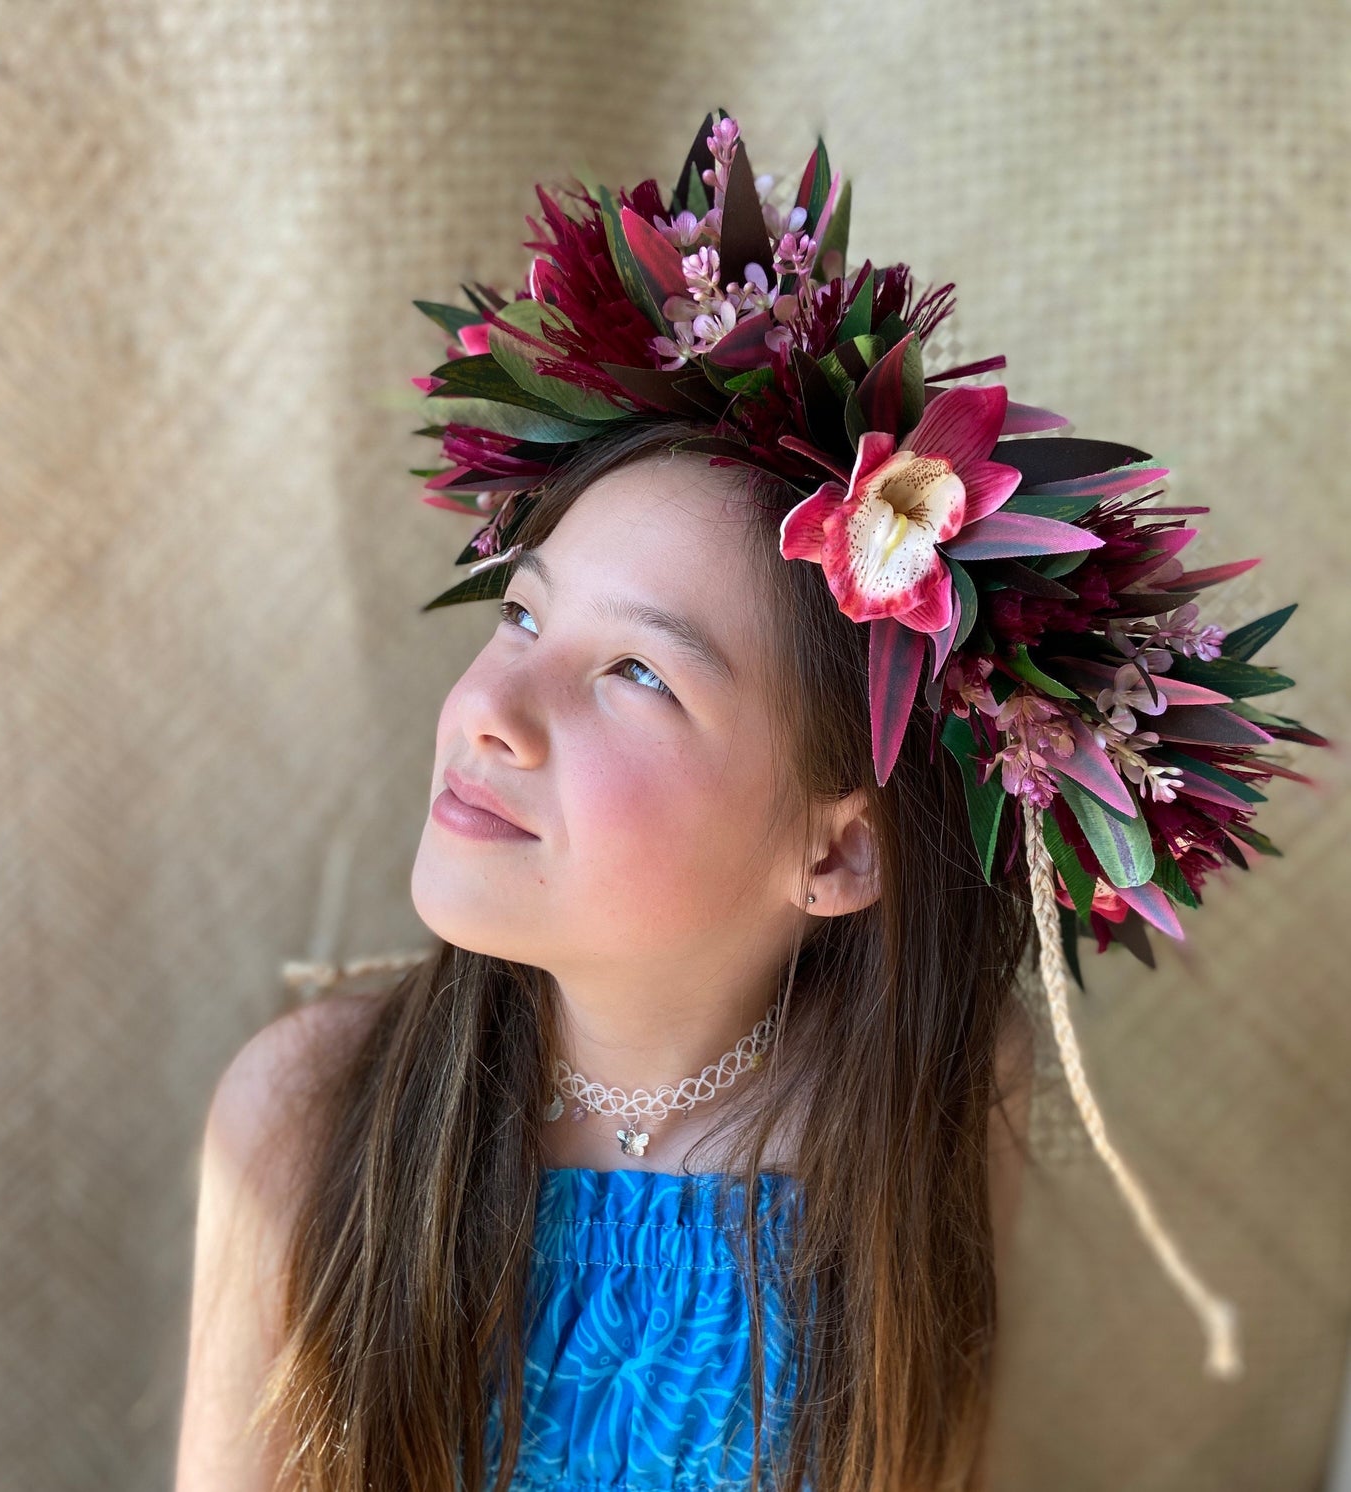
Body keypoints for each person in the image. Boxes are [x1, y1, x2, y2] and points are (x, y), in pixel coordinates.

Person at [174, 110, 1323, 1492]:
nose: (487, 707)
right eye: (525, 621)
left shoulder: (914, 1113)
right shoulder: (307, 1114)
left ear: (837, 849)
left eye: (636, 675)